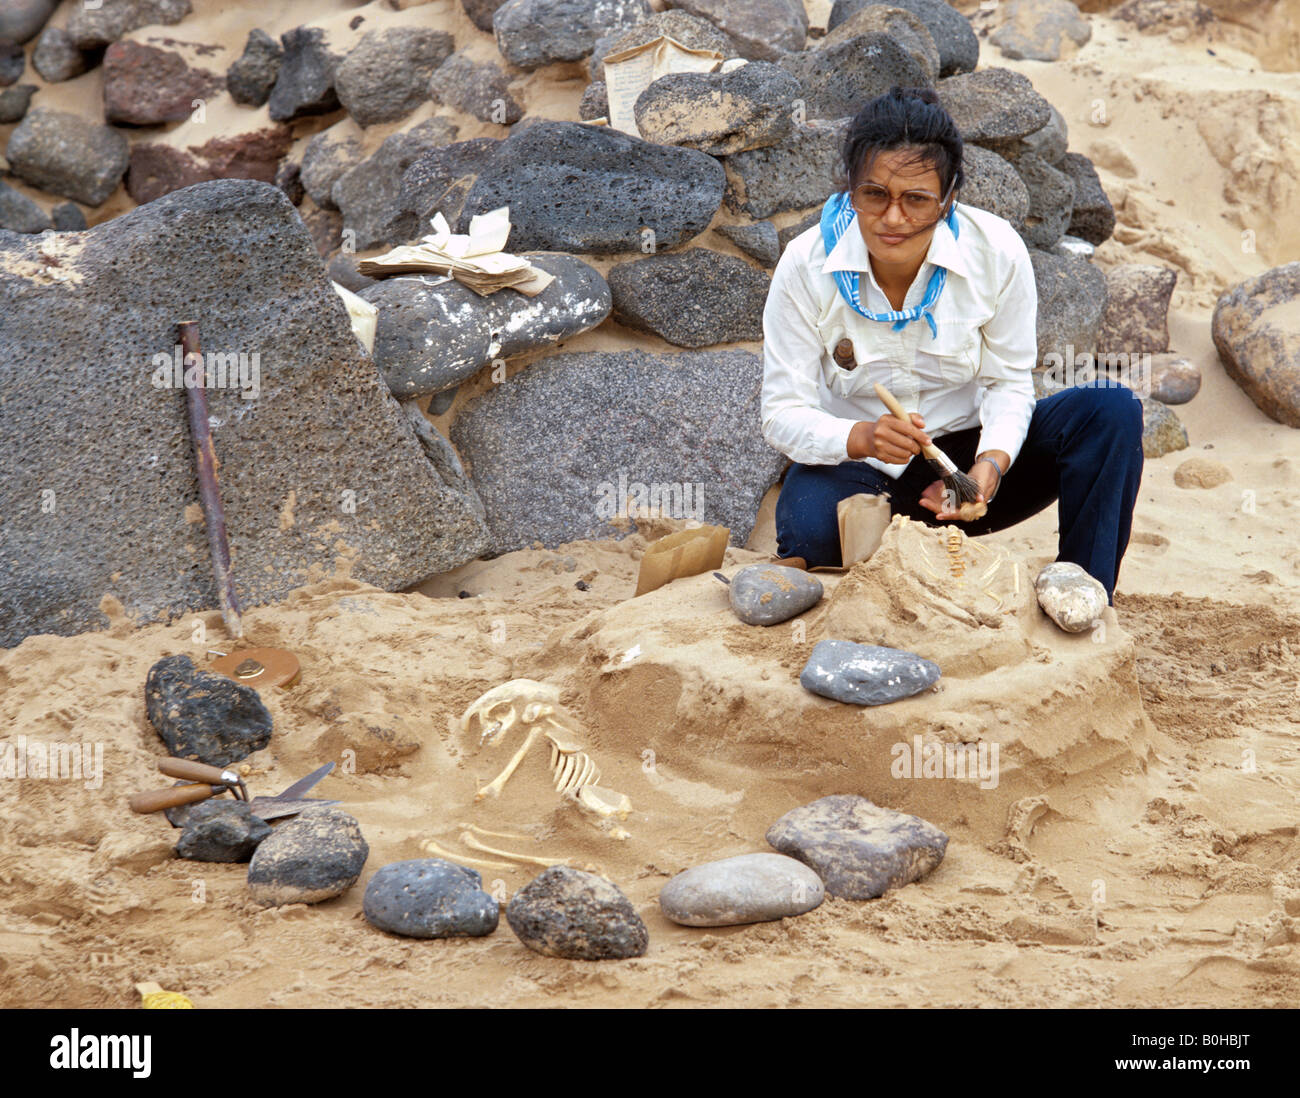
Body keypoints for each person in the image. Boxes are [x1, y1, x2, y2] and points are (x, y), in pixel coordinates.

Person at [761, 85, 1144, 602]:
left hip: (966, 467)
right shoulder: (806, 265)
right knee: (812, 535)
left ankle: (1083, 592)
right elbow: (781, 412)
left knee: (1110, 410)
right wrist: (863, 437)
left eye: (916, 199)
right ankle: (886, 548)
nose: (893, 218)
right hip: (862, 466)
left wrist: (988, 467)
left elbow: (1009, 382)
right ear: (851, 190)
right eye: (874, 194)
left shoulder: (996, 251)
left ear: (948, 200)